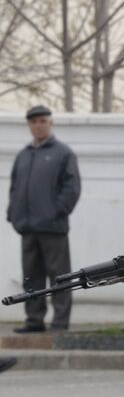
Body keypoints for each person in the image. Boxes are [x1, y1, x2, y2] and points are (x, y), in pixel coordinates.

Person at [8, 105, 81, 333]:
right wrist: (13, 214)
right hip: (28, 228)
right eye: (34, 122)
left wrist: (56, 212)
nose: (38, 125)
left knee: (60, 277)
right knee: (31, 278)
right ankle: (34, 321)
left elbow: (72, 188)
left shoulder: (62, 153)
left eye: (42, 121)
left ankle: (60, 323)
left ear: (50, 123)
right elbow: (14, 187)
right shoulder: (23, 155)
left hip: (53, 228)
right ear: (29, 125)